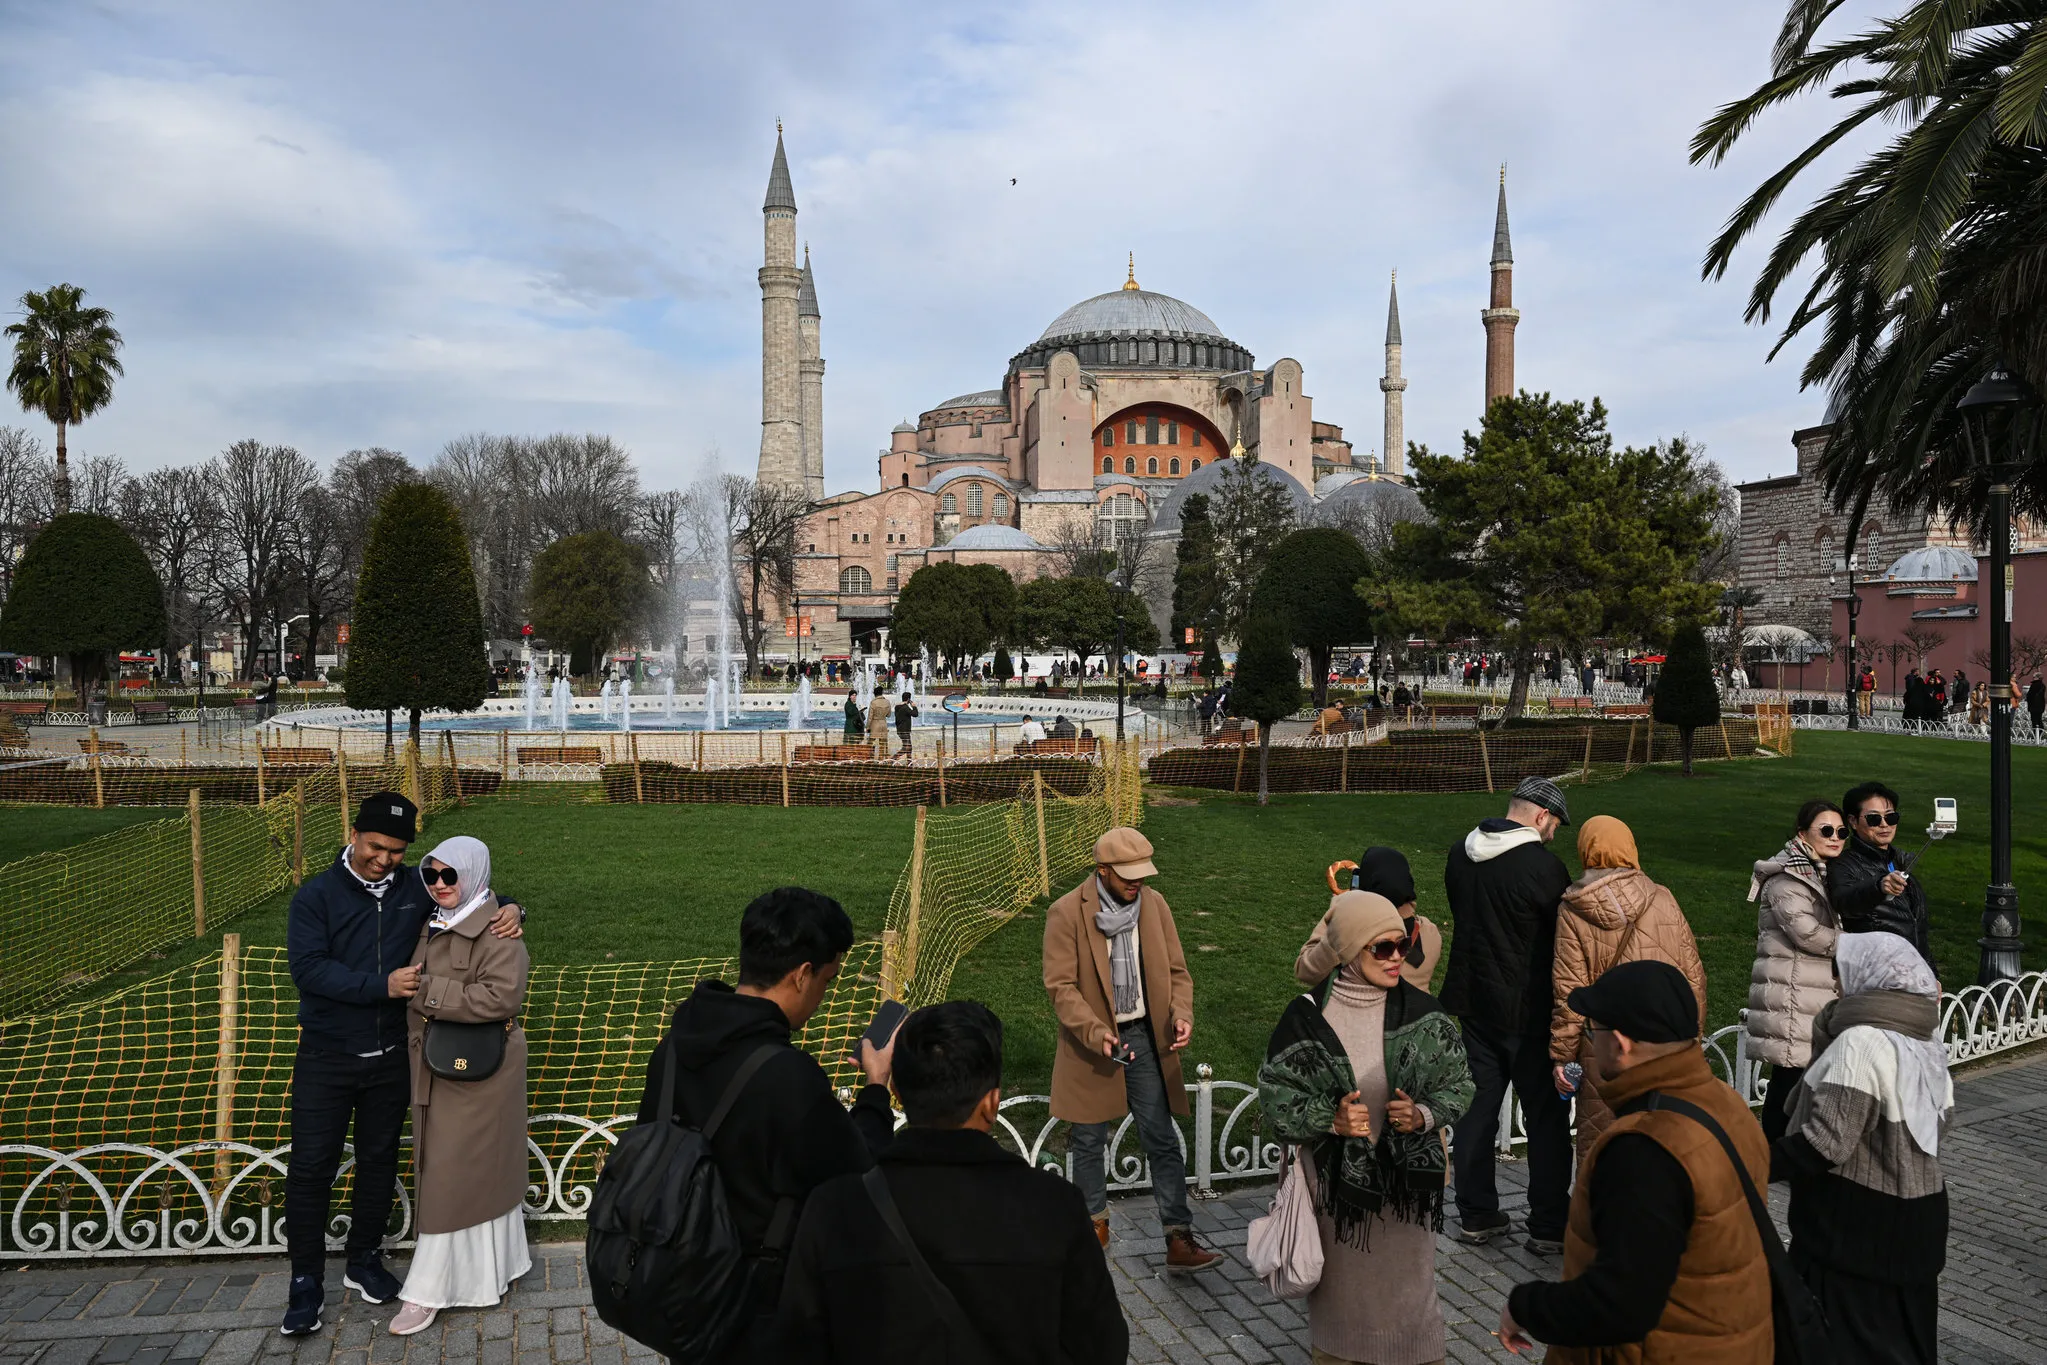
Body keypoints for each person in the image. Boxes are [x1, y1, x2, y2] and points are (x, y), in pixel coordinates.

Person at [280, 794, 524, 1337]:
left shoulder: (415, 885)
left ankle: (364, 1260)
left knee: (379, 1159)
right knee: (312, 1166)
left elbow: (470, 891)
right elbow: (310, 970)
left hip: (393, 1054)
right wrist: (380, 986)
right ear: (352, 834)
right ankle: (305, 1282)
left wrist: (513, 908)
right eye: (375, 846)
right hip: (327, 1054)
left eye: (396, 850)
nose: (383, 859)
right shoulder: (315, 897)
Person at [779, 1002, 1128, 1364]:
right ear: (992, 1104)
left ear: (900, 1095)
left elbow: (797, 1343)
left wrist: (875, 1087)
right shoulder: (1056, 1207)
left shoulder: (835, 1210)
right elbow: (1104, 1346)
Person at [629, 887, 895, 1362]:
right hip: (758, 1312)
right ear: (802, 974)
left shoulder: (669, 1051)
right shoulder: (788, 1077)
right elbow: (858, 1176)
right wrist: (876, 1087)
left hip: (684, 1290)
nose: (822, 997)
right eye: (827, 982)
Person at [1498, 961, 1772, 1362]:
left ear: (1621, 1044)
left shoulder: (1643, 1148)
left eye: (1593, 1032)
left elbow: (1620, 1303)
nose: (1591, 1043)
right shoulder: (1727, 1104)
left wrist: (1526, 1305)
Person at [1259, 891, 1474, 1365]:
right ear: (1352, 950)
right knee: (1344, 1321)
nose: (1398, 958)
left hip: (1407, 1201)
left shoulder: (1424, 1014)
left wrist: (1423, 1115)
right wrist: (1328, 1120)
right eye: (1382, 948)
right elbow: (1275, 1102)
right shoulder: (1308, 1018)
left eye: (1403, 945)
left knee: (1412, 1314)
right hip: (1337, 1202)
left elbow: (1460, 1084)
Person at [1041, 827, 1223, 1271]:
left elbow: (1178, 972)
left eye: (1142, 873)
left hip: (1144, 1036)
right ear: (1102, 871)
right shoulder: (1066, 912)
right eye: (1127, 875)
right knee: (1087, 1138)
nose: (1137, 882)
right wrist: (1094, 1032)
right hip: (1093, 1041)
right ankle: (1093, 1229)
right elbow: (1061, 987)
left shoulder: (1155, 906)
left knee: (1160, 1136)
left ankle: (1178, 1238)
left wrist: (1181, 1013)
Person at [1778, 933, 1953, 1364]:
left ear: (1869, 978)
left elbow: (1825, 1144)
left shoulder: (1862, 1042)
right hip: (1919, 1223)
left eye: (1840, 971)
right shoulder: (1925, 1041)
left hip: (1853, 1231)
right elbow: (1943, 1121)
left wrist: (1741, 1159)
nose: (1836, 983)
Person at [388, 837, 531, 1335]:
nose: (440, 885)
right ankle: (495, 1271)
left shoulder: (497, 929)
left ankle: (427, 1290)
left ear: (472, 874)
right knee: (462, 1170)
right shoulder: (434, 921)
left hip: (478, 1073)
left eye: (451, 875)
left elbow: (502, 997)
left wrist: (423, 991)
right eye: (432, 875)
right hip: (441, 1067)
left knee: (451, 1173)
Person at [1439, 776, 1574, 1253]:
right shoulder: (1543, 867)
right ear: (1540, 816)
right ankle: (1548, 1224)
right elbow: (1562, 936)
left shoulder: (1461, 853)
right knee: (1546, 1119)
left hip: (1474, 1002)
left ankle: (1476, 1213)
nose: (1554, 834)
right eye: (1554, 824)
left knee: (1477, 1108)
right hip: (1529, 1009)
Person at [1549, 816, 1708, 1162]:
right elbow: (1693, 976)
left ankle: (1601, 1213)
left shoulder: (1573, 910)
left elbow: (1569, 990)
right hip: (1664, 1041)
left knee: (1603, 1144)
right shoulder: (1663, 898)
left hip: (1606, 1046)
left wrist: (1562, 1054)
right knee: (1662, 1139)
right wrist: (1692, 1037)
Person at [1744, 797, 1846, 1150]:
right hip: (1790, 990)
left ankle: (1791, 1148)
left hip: (1809, 989)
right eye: (1827, 830)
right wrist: (1857, 944)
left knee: (1803, 1075)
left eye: (1841, 831)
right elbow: (1807, 933)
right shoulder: (1788, 877)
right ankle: (1772, 1152)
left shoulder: (1822, 871)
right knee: (1789, 1076)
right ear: (1803, 834)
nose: (1836, 837)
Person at [1830, 779, 1933, 965]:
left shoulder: (1899, 861)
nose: (1884, 825)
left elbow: (1918, 929)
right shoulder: (1844, 864)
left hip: (1911, 971)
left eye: (1891, 817)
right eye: (1874, 818)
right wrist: (1878, 887)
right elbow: (1845, 901)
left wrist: (1930, 973)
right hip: (1875, 973)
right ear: (1853, 821)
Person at [1315, 847, 1444, 991]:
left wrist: (1339, 915)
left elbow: (1313, 968)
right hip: (1420, 1010)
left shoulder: (1355, 933)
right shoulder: (1431, 931)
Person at [893, 691, 918, 756]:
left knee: (909, 747)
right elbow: (915, 714)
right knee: (907, 747)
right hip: (904, 730)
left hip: (900, 729)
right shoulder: (905, 707)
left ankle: (909, 762)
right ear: (908, 699)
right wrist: (914, 706)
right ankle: (893, 759)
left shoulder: (897, 707)